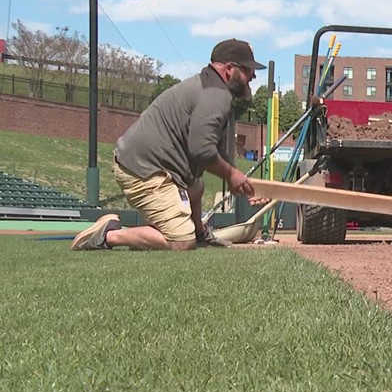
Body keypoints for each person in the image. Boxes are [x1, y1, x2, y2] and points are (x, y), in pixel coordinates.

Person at [70, 38, 267, 251]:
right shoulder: (215, 96)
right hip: (143, 171)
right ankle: (109, 234)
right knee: (181, 242)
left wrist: (240, 180)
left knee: (195, 186)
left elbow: (213, 150)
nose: (253, 76)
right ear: (230, 69)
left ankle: (199, 232)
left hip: (153, 166)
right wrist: (232, 175)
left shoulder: (209, 87)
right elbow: (201, 150)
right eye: (248, 70)